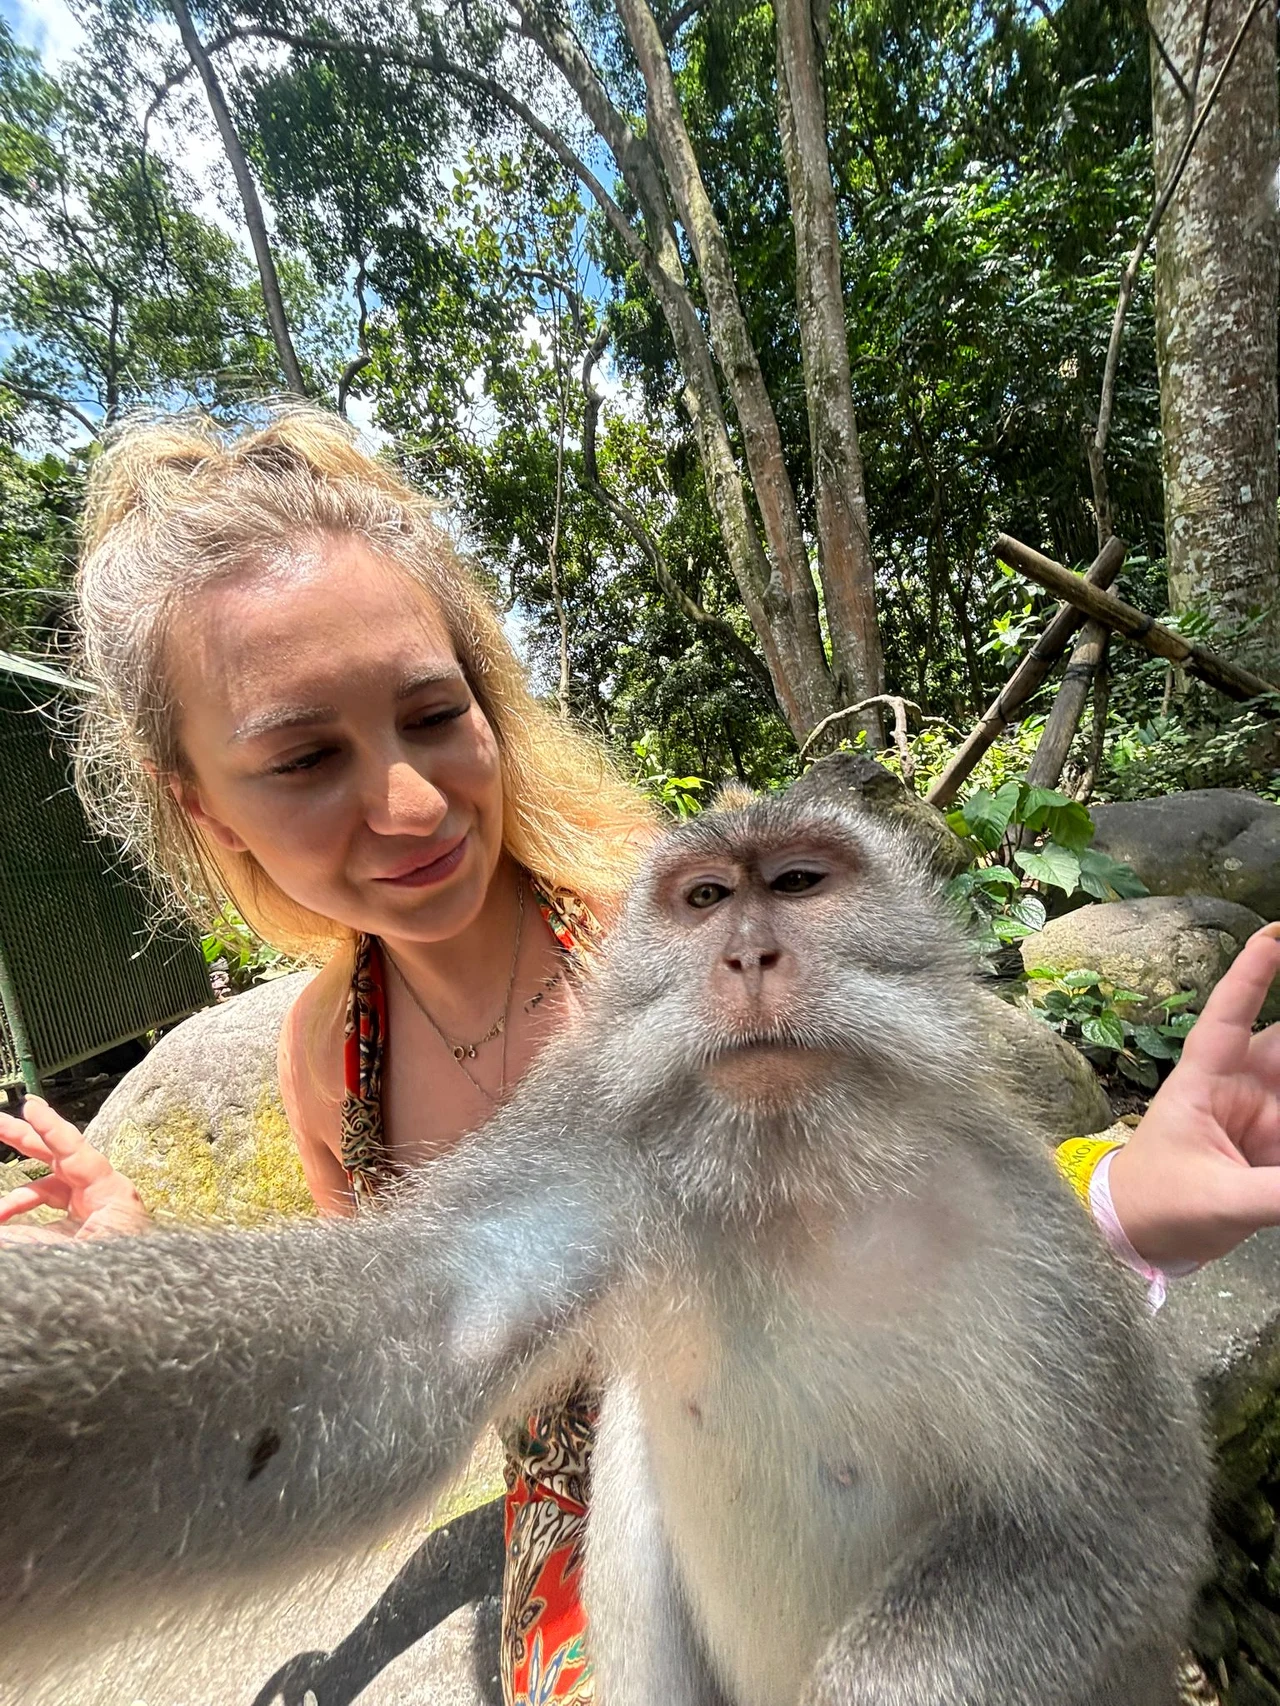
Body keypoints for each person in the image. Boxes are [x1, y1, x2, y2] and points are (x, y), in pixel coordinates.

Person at [2, 407, 1280, 1704]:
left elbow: (912, 1221)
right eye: (305, 754)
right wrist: (132, 1298)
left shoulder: (644, 946)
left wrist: (1122, 1197)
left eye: (432, 712)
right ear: (200, 798)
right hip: (639, 1558)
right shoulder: (347, 1054)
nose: (408, 803)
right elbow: (397, 1334)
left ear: (486, 699)